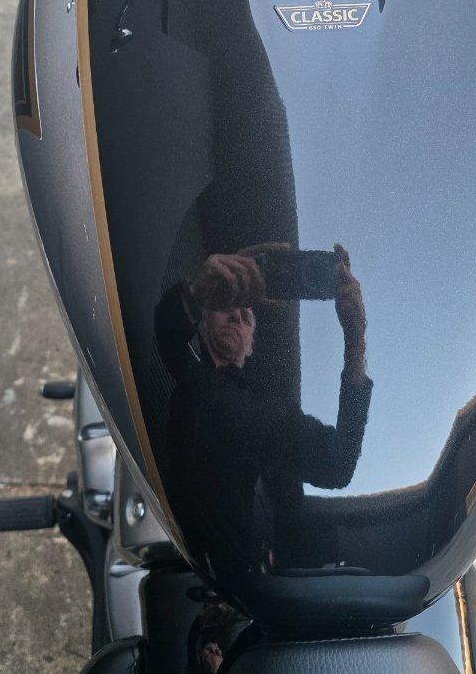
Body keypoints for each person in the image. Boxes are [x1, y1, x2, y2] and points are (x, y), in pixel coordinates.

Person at [156, 243, 373, 573]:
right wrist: (197, 293)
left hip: (234, 577)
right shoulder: (190, 372)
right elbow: (167, 334)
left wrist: (354, 336)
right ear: (204, 319)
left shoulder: (264, 414)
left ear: (251, 345)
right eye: (227, 306)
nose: (237, 316)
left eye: (246, 318)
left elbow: (338, 465)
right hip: (172, 553)